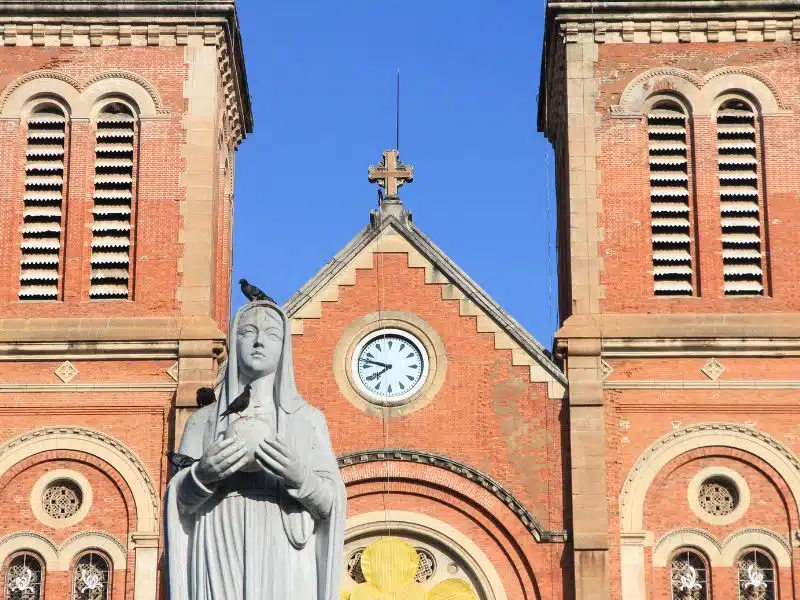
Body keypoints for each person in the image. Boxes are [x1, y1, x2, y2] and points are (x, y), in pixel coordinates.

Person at [165, 300, 346, 600]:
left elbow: (331, 501)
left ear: (284, 346)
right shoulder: (204, 420)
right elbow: (179, 501)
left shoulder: (307, 419)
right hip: (219, 534)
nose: (259, 341)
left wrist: (300, 477)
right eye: (248, 331)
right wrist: (201, 475)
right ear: (234, 340)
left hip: (282, 539)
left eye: (272, 334)